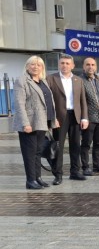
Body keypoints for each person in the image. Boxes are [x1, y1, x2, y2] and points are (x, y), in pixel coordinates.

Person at [13, 56, 56, 189]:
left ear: (42, 67)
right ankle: (30, 180)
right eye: (32, 64)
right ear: (27, 66)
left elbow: (49, 101)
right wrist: (25, 123)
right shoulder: (22, 80)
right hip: (30, 123)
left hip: (42, 122)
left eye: (39, 65)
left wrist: (53, 120)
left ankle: (38, 178)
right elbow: (19, 104)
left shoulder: (43, 81)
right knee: (29, 153)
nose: (35, 67)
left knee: (38, 152)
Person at [47, 54, 89, 184]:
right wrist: (52, 118)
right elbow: (48, 101)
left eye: (67, 63)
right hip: (59, 118)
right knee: (58, 147)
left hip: (75, 116)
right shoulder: (51, 79)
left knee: (75, 145)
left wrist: (84, 118)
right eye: (62, 63)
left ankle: (75, 172)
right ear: (59, 64)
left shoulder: (78, 80)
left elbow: (83, 101)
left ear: (72, 65)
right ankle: (57, 175)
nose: (64, 65)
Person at [80, 57, 99, 176]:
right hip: (88, 118)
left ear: (96, 67)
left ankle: (97, 165)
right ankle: (85, 166)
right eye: (88, 64)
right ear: (83, 66)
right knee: (86, 144)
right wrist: (84, 117)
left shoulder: (98, 81)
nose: (90, 67)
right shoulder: (80, 80)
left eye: (93, 65)